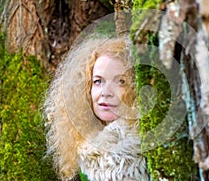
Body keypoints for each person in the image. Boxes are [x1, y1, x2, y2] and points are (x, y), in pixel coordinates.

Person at [43, 37, 149, 181]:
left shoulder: (150, 145)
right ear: (86, 88)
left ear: (137, 87)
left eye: (121, 82)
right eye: (98, 81)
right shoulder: (84, 152)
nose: (106, 92)